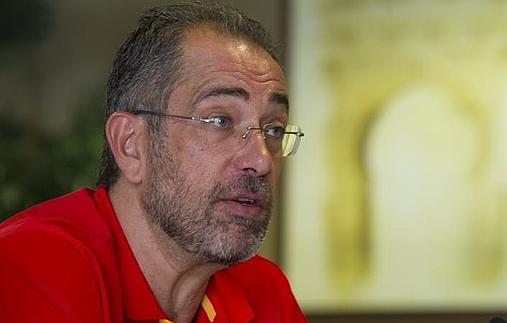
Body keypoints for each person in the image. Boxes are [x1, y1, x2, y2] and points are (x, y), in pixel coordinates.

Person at [0, 1, 306, 322]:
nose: (261, 160)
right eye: (219, 120)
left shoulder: (262, 289)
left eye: (274, 128)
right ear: (131, 144)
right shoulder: (35, 265)